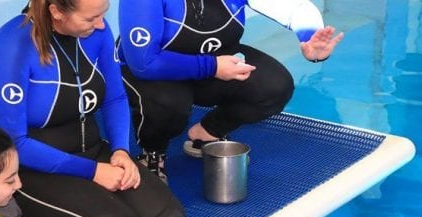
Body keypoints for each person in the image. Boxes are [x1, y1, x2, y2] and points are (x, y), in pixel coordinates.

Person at [0, 0, 186, 217]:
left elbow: (114, 98)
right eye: (90, 19)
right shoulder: (13, 45)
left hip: (92, 150)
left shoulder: (97, 33)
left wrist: (121, 151)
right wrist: (93, 172)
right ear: (56, 12)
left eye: (103, 15)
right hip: (33, 168)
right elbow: (14, 142)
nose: (102, 25)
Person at [117, 0, 344, 178]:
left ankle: (206, 133)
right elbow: (144, 63)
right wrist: (213, 67)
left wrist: (310, 37)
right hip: (155, 71)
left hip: (214, 66)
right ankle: (152, 154)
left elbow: (293, 7)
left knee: (274, 86)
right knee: (169, 105)